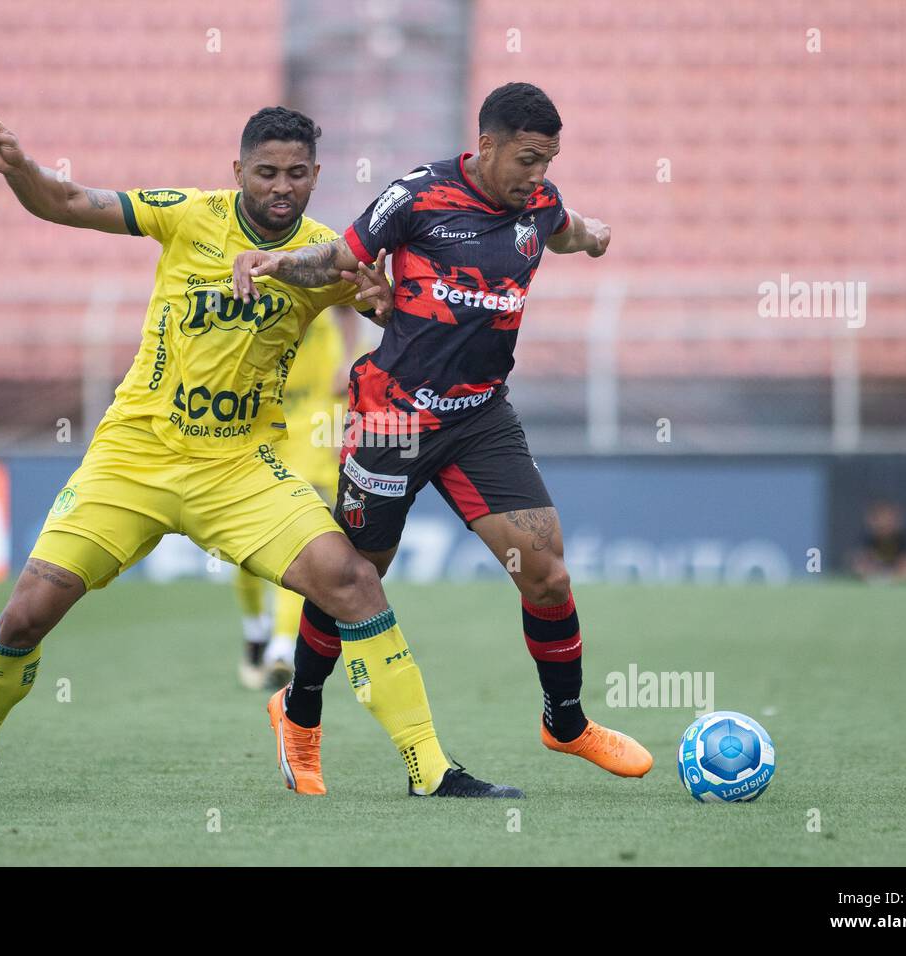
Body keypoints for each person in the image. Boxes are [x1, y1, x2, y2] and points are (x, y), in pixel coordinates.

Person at [0, 102, 521, 800]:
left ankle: (429, 770)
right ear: (237, 171)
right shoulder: (186, 214)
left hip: (239, 467)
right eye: (267, 172)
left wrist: (386, 303)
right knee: (26, 613)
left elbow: (391, 313)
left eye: (297, 174)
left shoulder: (323, 256)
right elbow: (65, 201)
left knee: (354, 584)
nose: (282, 186)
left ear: (316, 175)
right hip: (134, 459)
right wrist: (19, 169)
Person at [232, 83, 654, 792]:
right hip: (394, 414)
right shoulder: (418, 196)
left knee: (546, 570)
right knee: (356, 578)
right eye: (527, 158)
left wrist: (594, 237)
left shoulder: (539, 205)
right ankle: (299, 713)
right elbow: (342, 258)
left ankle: (566, 721)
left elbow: (567, 227)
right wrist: (277, 262)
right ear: (486, 146)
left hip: (480, 417)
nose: (537, 174)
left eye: (548, 160)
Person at [234, 305, 357, 690]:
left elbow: (349, 303)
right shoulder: (234, 266)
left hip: (314, 415)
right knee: (240, 539)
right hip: (253, 415)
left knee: (298, 528)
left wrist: (351, 358)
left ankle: (283, 647)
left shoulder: (308, 252)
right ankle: (257, 628)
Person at [850, 500, 906, 581]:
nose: (884, 522)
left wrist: (897, 574)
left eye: (888, 517)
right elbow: (856, 563)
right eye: (880, 518)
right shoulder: (866, 539)